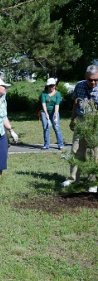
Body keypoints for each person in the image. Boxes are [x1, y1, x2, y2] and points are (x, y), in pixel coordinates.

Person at [61, 64, 98, 193]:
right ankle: (72, 178)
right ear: (85, 77)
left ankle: (92, 182)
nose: (93, 82)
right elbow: (76, 103)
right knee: (76, 150)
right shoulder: (79, 85)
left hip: (95, 122)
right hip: (81, 121)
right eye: (90, 79)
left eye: (95, 79)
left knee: (94, 153)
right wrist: (72, 119)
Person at [39, 78, 64, 150]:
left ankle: (60, 144)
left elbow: (57, 105)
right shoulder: (44, 94)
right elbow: (43, 104)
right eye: (50, 86)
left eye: (53, 85)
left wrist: (55, 114)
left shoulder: (58, 94)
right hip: (45, 112)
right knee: (46, 127)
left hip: (54, 112)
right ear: (47, 86)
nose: (52, 87)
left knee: (56, 127)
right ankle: (46, 145)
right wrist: (46, 114)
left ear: (55, 85)